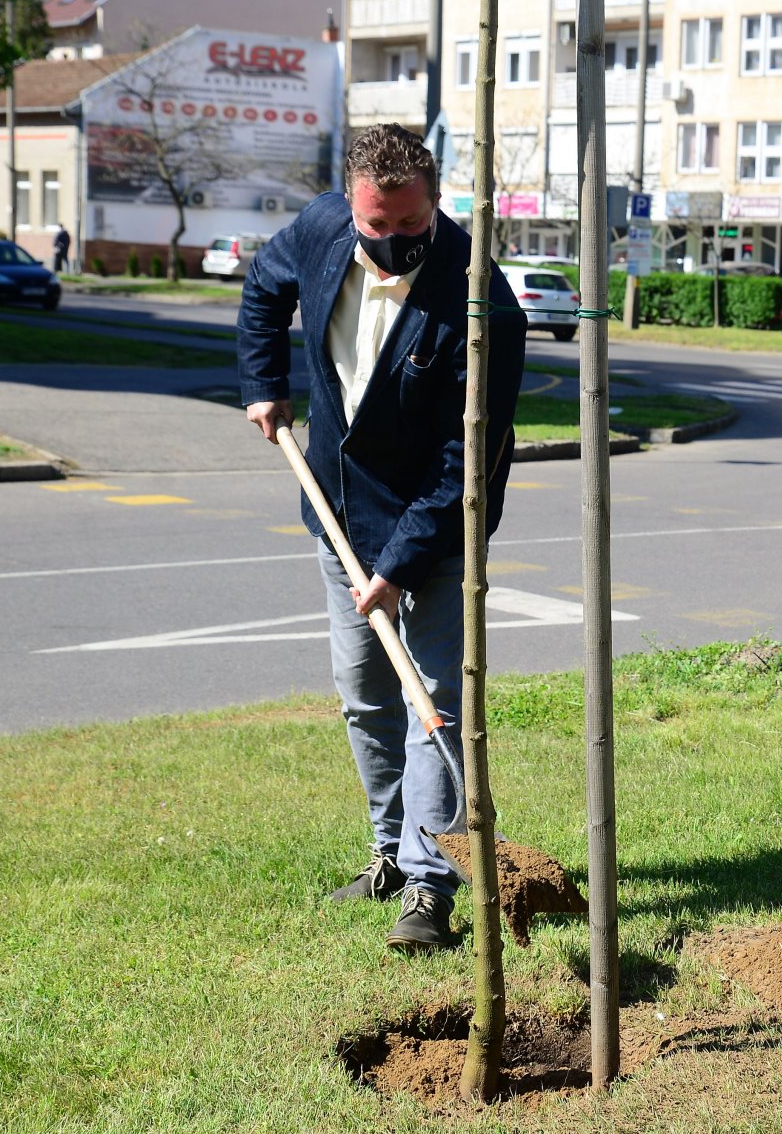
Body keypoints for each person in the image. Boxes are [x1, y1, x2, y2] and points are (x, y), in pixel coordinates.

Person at [237, 123, 527, 951]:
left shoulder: (483, 307)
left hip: (435, 528)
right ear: (353, 205)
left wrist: (398, 566)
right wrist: (264, 386)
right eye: (378, 225)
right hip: (335, 505)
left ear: (436, 205)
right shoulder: (323, 226)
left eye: (410, 226)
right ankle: (389, 852)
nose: (393, 240)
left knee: (430, 701)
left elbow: (465, 463)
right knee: (364, 691)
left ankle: (431, 884)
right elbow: (263, 287)